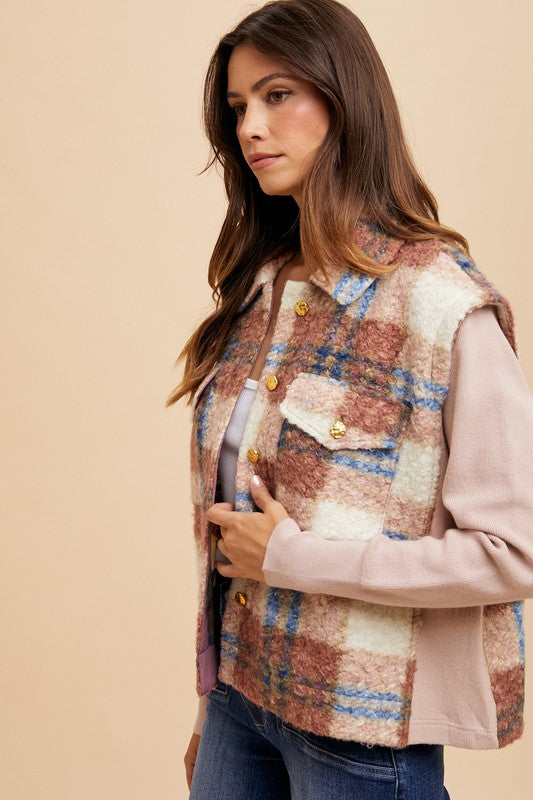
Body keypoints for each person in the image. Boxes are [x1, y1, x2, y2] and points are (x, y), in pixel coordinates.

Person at [166, 1, 533, 797]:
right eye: (237, 107)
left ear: (345, 100)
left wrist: (296, 558)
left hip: (357, 730)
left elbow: (514, 551)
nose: (250, 128)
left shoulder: (440, 303)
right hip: (238, 699)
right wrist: (208, 713)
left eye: (277, 95)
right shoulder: (261, 288)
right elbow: (232, 534)